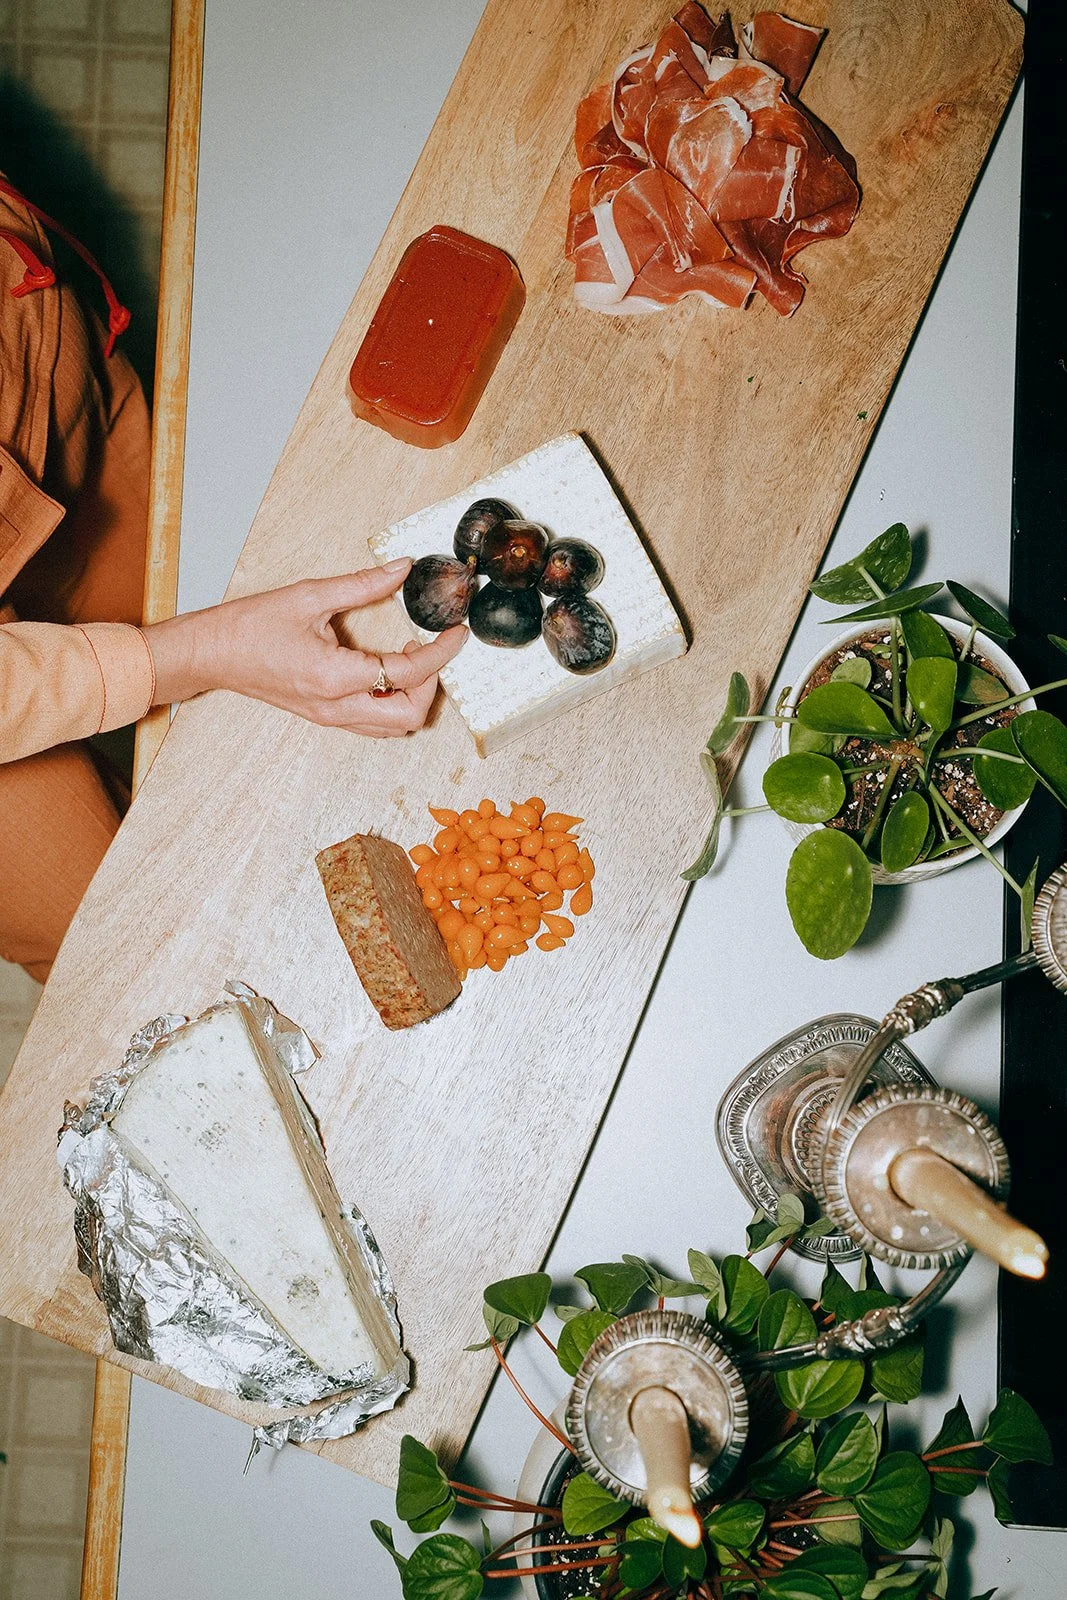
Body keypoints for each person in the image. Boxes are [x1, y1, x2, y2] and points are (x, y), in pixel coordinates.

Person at [0, 176, 464, 981]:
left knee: (254, 570)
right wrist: (193, 656)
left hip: (50, 394)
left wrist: (211, 646)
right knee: (138, 956)